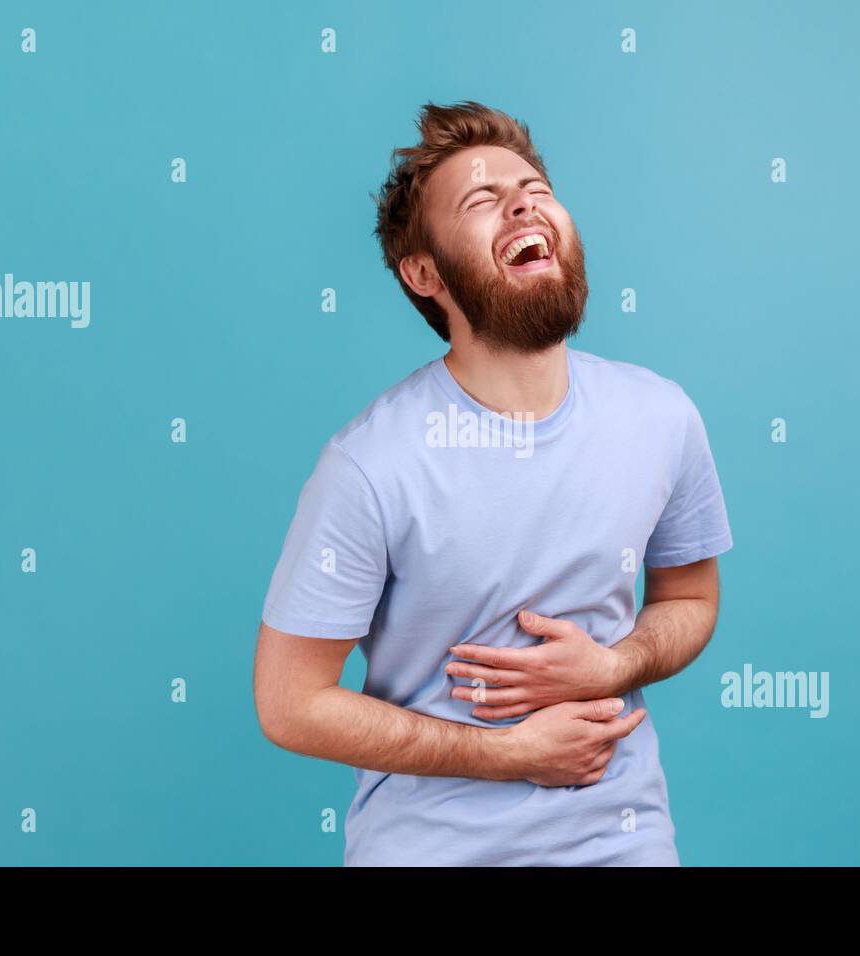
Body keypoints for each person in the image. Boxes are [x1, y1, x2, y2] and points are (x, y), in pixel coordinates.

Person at [253, 100, 733, 866]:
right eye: (481, 199)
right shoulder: (371, 466)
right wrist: (507, 753)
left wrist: (617, 664)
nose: (521, 202)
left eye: (535, 188)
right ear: (425, 273)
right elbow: (289, 704)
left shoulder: (661, 417)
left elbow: (689, 599)